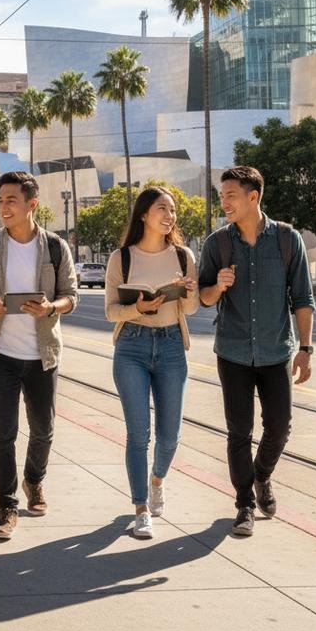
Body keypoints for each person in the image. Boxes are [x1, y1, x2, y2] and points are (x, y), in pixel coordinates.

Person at [198, 166, 315, 538]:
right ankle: (244, 504)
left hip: (276, 351)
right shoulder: (217, 243)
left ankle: (262, 476)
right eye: (222, 196)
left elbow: (303, 298)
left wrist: (306, 348)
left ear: (253, 196)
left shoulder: (287, 239)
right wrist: (218, 286)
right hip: (232, 352)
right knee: (239, 432)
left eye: (231, 195)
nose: (224, 202)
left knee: (279, 428)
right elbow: (203, 298)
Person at [0, 171, 77, 540]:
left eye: (11, 200)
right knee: (3, 434)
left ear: (32, 204)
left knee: (43, 429)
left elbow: (71, 295)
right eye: (0, 200)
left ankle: (34, 480)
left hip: (42, 355)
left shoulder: (56, 247)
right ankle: (7, 506)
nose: (3, 206)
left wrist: (51, 307)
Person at [103, 187, 199, 539]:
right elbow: (111, 311)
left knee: (170, 437)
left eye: (173, 210)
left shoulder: (184, 256)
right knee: (138, 434)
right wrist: (138, 308)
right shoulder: (121, 258)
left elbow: (191, 310)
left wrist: (188, 292)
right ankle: (141, 508)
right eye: (162, 208)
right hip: (132, 346)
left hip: (172, 346)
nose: (170, 215)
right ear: (144, 214)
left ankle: (156, 480)